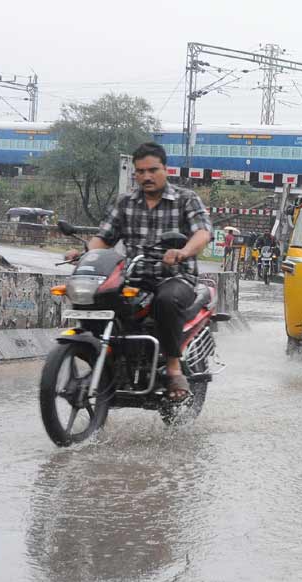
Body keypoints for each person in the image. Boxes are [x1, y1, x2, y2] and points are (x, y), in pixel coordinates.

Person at [64, 142, 212, 403]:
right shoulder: (126, 202)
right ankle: (109, 361)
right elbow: (104, 238)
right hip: (133, 276)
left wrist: (184, 251)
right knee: (96, 297)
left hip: (174, 276)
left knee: (166, 301)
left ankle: (174, 368)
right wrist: (85, 253)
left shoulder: (185, 199)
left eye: (152, 170)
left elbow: (202, 232)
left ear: (166, 169)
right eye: (140, 171)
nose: (146, 176)